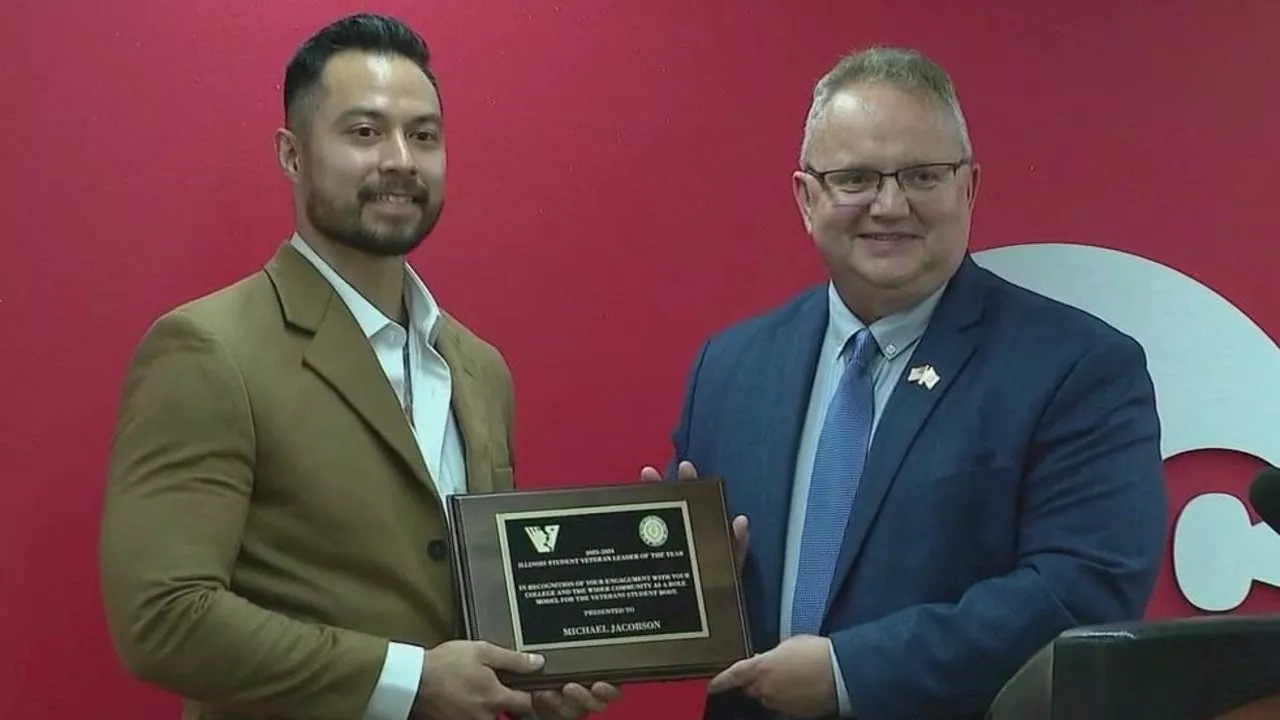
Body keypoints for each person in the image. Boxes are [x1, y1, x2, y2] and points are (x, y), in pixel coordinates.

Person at [99, 13, 618, 720]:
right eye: (365, 132)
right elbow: (161, 617)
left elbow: (474, 604)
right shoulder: (207, 349)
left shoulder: (479, 369)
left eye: (424, 135)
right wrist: (411, 681)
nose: (401, 159)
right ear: (292, 153)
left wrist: (539, 667)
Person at [641, 46, 1166, 719]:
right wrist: (674, 580)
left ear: (968, 188)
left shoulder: (1079, 369)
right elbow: (705, 599)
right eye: (854, 178)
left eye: (921, 175)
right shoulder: (731, 366)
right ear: (807, 198)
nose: (889, 206)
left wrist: (846, 673)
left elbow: (1079, 593)